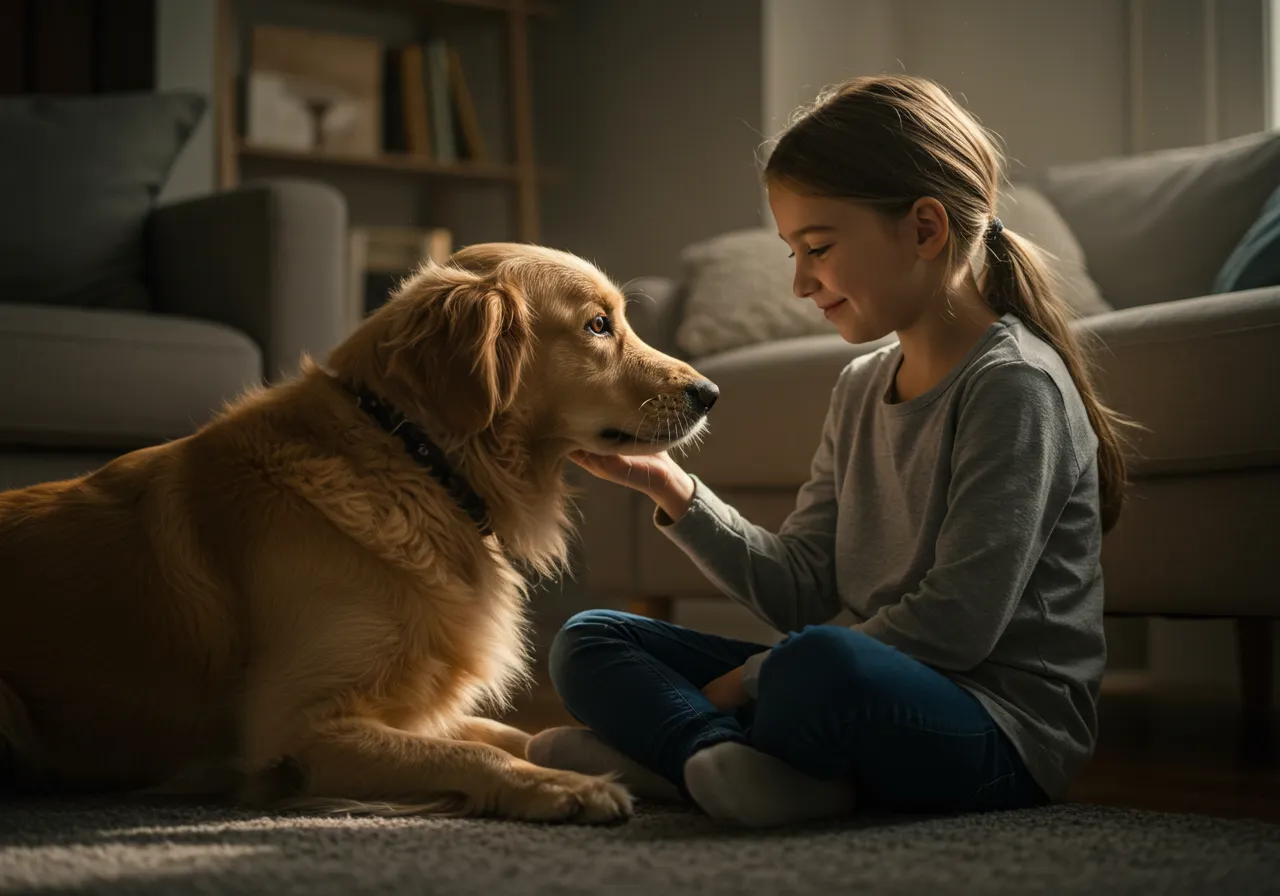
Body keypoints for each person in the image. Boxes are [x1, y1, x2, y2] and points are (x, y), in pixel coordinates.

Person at [526, 74, 1132, 828]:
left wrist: (755, 678)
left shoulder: (1015, 387)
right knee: (591, 639)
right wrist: (674, 491)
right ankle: (715, 761)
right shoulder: (860, 385)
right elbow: (806, 588)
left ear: (923, 229)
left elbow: (957, 624)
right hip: (847, 683)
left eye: (816, 247)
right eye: (791, 252)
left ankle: (683, 754)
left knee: (814, 666)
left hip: (996, 730)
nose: (801, 282)